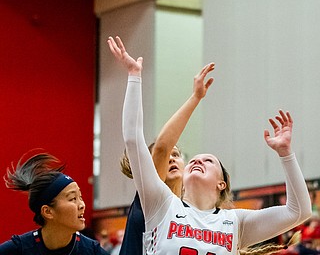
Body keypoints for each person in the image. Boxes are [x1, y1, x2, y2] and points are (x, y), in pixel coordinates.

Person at [116, 34, 312, 254]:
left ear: (222, 184)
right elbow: (133, 139)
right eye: (193, 160)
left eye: (208, 160)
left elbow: (299, 211)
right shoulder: (161, 204)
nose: (198, 160)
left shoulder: (236, 222)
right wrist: (134, 76)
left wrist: (286, 154)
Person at [107, 36, 214, 255]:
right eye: (168, 157)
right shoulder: (151, 196)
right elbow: (162, 146)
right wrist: (195, 97)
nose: (172, 158)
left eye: (178, 155)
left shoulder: (194, 212)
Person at [0, 149, 110, 255]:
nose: (82, 205)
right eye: (72, 199)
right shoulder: (20, 249)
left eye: (80, 197)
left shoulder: (92, 250)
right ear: (47, 211)